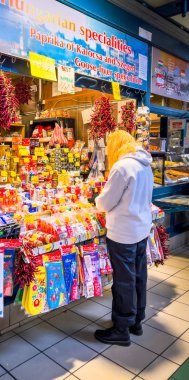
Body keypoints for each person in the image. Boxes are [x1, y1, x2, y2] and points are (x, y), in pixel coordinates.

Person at [94, 130, 153, 347]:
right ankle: (136, 321)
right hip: (140, 229)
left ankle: (121, 328)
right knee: (138, 276)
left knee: (123, 281)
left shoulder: (122, 167)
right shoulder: (145, 165)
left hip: (123, 233)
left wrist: (96, 201)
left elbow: (106, 202)